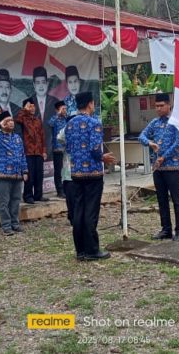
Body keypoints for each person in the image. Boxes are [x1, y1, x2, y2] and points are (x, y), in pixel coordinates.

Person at [65, 92, 117, 260]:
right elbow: (95, 149)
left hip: (76, 173)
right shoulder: (94, 123)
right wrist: (103, 157)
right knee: (91, 212)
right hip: (93, 173)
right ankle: (92, 250)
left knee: (78, 210)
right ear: (90, 104)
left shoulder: (70, 124)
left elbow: (68, 147)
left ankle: (80, 250)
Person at [139, 93, 179, 242]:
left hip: (172, 167)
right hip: (158, 169)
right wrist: (150, 143)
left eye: (161, 106)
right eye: (156, 106)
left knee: (176, 199)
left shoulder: (176, 122)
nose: (158, 109)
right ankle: (166, 229)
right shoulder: (154, 122)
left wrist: (163, 157)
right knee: (161, 199)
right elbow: (141, 136)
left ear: (168, 105)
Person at [0, 111, 28, 236]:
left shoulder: (17, 137)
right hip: (3, 174)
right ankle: (6, 226)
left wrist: (25, 170)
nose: (11, 123)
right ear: (2, 123)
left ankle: (15, 224)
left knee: (16, 200)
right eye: (7, 121)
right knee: (4, 202)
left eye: (11, 120)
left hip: (17, 174)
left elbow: (22, 155)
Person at [16, 98, 48, 204]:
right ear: (25, 107)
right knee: (29, 175)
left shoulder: (38, 120)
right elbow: (17, 119)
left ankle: (38, 195)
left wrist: (44, 150)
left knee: (39, 174)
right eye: (30, 106)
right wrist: (24, 109)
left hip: (38, 151)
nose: (33, 108)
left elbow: (42, 136)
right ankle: (28, 196)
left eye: (34, 106)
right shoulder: (23, 119)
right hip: (28, 152)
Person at [30, 66, 59, 154]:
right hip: (34, 148)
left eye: (43, 82)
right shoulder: (28, 103)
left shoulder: (55, 102)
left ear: (47, 83)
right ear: (34, 85)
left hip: (52, 147)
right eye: (38, 83)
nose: (41, 86)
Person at [56, 114, 76, 225]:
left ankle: (79, 217)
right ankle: (72, 218)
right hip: (68, 174)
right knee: (71, 198)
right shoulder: (66, 135)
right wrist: (69, 125)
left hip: (82, 172)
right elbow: (59, 137)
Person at [48, 101, 68, 199]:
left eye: (65, 108)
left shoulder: (66, 119)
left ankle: (66, 188)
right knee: (58, 171)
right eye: (63, 109)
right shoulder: (54, 119)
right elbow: (50, 124)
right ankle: (59, 191)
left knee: (66, 170)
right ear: (57, 110)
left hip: (66, 149)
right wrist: (58, 114)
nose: (65, 110)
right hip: (57, 149)